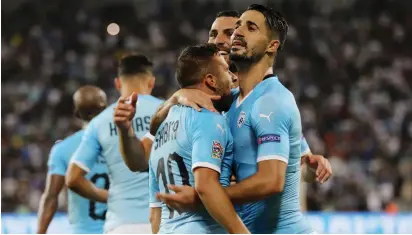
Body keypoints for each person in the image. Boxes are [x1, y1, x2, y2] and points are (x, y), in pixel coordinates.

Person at [155, 4, 322, 233]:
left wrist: (203, 196)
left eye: (251, 28)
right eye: (239, 26)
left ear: (272, 45)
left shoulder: (271, 100)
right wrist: (175, 98)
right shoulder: (230, 99)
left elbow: (271, 180)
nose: (238, 33)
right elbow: (156, 130)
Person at [149, 43, 249, 234]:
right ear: (211, 80)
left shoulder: (162, 128)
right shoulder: (208, 118)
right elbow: (206, 187)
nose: (233, 77)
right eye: (227, 71)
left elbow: (155, 212)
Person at [66, 54, 163, 234]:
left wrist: (108, 197)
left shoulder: (100, 122)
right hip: (165, 220)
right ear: (151, 82)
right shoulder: (167, 110)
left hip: (121, 223)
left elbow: (73, 179)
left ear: (117, 83)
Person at [37, 85, 108, 234]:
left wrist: (40, 232)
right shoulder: (123, 145)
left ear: (76, 112)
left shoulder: (63, 149)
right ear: (106, 109)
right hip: (119, 229)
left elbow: (51, 197)